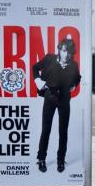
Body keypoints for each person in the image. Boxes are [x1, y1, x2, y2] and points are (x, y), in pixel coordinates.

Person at [32, 36, 81, 173]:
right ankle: (41, 159)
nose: (67, 55)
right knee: (45, 130)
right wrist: (39, 83)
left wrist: (73, 85)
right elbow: (35, 68)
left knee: (63, 132)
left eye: (69, 52)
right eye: (64, 51)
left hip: (65, 100)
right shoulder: (49, 59)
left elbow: (77, 77)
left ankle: (61, 160)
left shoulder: (73, 65)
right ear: (59, 50)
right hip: (50, 98)